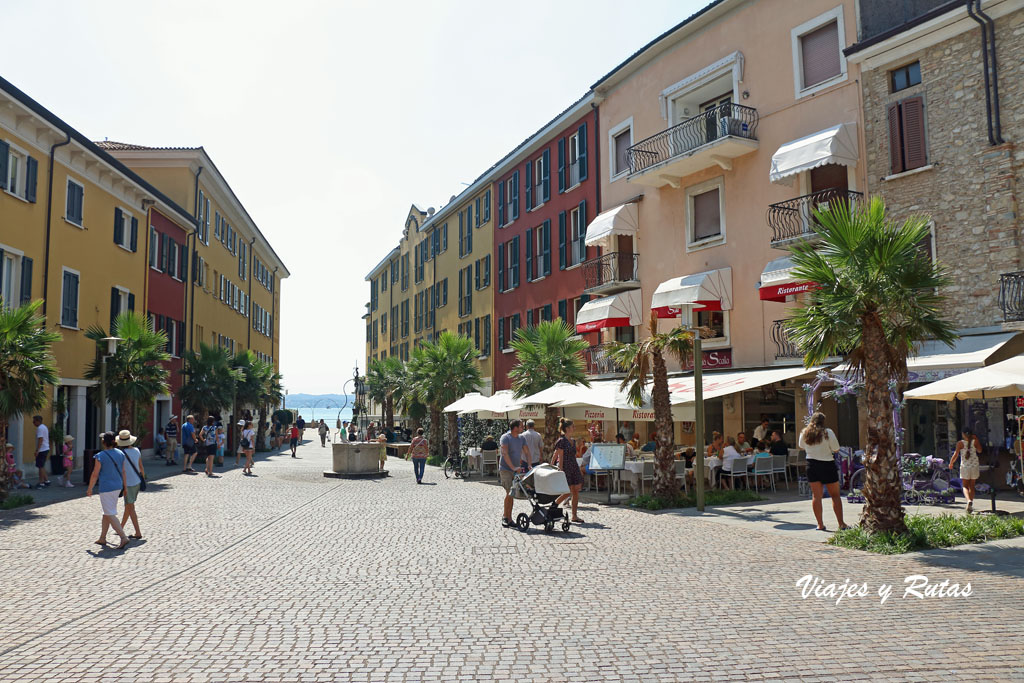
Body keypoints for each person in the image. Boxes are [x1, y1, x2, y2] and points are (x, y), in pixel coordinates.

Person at [798, 412, 848, 532]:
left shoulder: (804, 432)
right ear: (823, 421)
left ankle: (820, 524)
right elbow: (836, 449)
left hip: (812, 465)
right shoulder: (828, 432)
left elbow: (801, 446)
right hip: (827, 464)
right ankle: (841, 524)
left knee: (816, 496)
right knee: (835, 495)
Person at [86, 432, 130, 550]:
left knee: (110, 513)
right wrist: (125, 487)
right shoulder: (121, 453)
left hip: (106, 487)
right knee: (107, 512)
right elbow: (124, 472)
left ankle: (123, 537)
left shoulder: (100, 456)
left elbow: (95, 474)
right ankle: (102, 538)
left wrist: (90, 487)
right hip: (118, 486)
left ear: (104, 442)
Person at [552, 418, 584, 523]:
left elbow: (574, 455)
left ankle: (574, 516)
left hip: (573, 466)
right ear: (567, 428)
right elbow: (558, 456)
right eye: (572, 426)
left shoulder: (573, 441)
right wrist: (558, 469)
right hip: (566, 468)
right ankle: (555, 505)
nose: (574, 428)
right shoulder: (561, 441)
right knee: (567, 492)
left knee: (576, 491)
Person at [499, 420, 530, 528]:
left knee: (512, 494)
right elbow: (504, 453)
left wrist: (529, 464)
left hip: (516, 470)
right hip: (506, 469)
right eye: (521, 426)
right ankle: (505, 517)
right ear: (515, 427)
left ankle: (509, 518)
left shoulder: (521, 438)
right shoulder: (505, 437)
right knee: (509, 493)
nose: (523, 428)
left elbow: (527, 452)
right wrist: (512, 467)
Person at [115, 430, 145, 540]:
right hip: (137, 481)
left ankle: (138, 532)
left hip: (128, 483)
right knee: (128, 505)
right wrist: (143, 478)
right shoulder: (137, 451)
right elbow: (141, 467)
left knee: (130, 507)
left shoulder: (120, 454)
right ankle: (121, 527)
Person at [950, 428, 983, 514]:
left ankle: (968, 501)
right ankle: (970, 504)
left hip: (965, 466)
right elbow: (980, 450)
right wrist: (977, 440)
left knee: (965, 486)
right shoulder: (975, 441)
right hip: (974, 466)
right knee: (972, 486)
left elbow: (956, 454)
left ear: (964, 434)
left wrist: (951, 463)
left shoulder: (960, 443)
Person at [32, 415, 51, 488]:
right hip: (46, 448)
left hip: (42, 449)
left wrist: (37, 450)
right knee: (41, 465)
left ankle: (41, 482)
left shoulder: (40, 428)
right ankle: (46, 480)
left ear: (37, 421)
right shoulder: (44, 427)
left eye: (34, 421)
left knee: (40, 466)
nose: (33, 423)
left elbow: (40, 439)